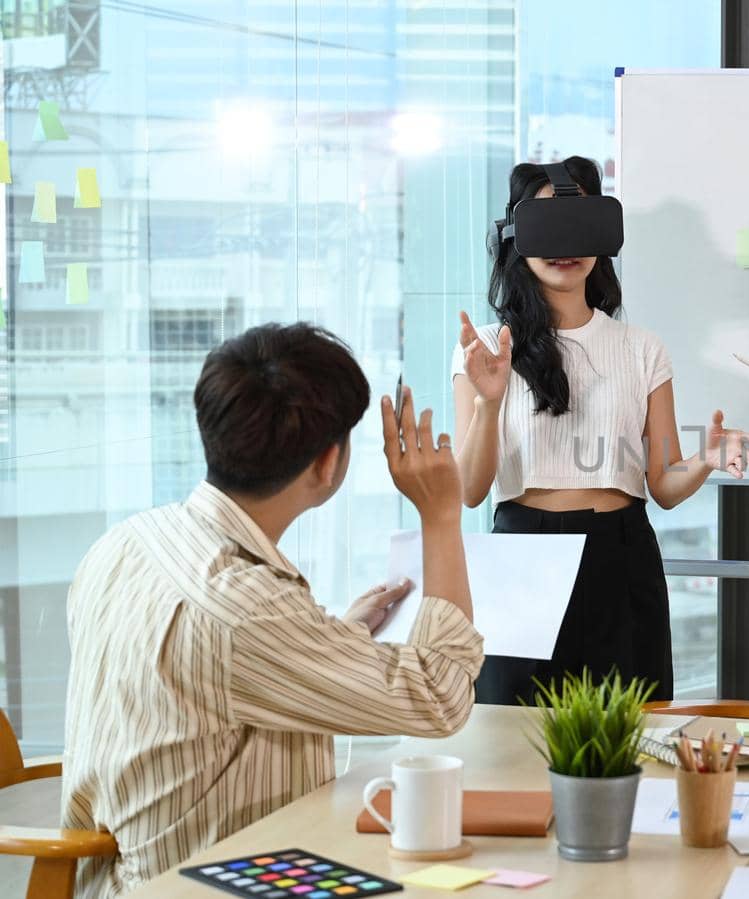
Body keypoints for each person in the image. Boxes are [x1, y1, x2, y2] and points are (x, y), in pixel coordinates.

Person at [60, 323, 484, 899]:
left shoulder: (128, 541)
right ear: (326, 463)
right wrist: (441, 515)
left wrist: (330, 636)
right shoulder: (248, 611)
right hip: (217, 884)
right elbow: (440, 697)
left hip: (118, 880)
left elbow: (204, 683)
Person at [454, 156, 749, 705]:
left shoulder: (640, 347)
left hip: (620, 552)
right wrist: (488, 401)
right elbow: (470, 489)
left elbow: (663, 486)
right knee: (515, 738)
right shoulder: (485, 348)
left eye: (581, 223)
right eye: (549, 224)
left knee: (634, 731)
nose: (566, 243)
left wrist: (707, 459)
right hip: (524, 552)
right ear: (517, 236)